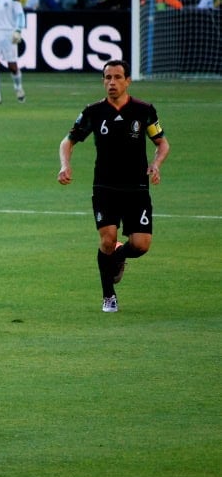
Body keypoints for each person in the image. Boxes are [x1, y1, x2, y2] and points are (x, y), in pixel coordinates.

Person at [58, 59, 170, 313]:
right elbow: (68, 141)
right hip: (105, 188)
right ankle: (108, 295)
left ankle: (120, 256)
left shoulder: (144, 111)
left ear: (128, 81)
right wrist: (65, 165)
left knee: (141, 245)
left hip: (137, 188)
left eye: (118, 77)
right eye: (107, 78)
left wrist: (156, 165)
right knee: (107, 240)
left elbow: (162, 143)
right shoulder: (93, 112)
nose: (112, 82)